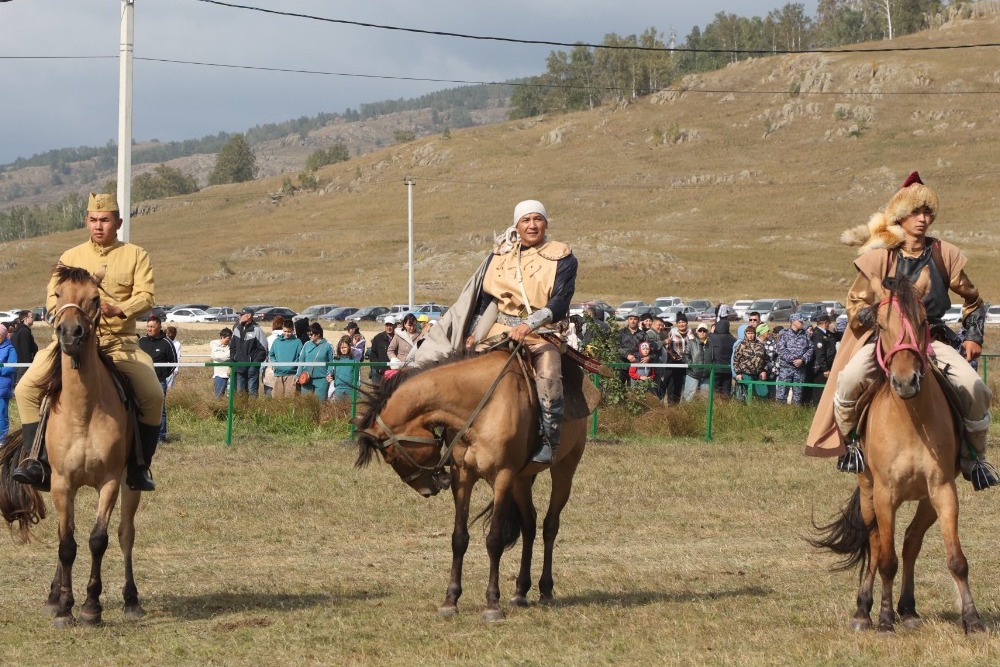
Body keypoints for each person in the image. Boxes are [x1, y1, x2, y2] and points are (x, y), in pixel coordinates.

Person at [808, 171, 996, 488]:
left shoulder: (944, 254)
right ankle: (853, 447)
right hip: (886, 340)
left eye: (927, 212)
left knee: (975, 389)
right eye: (915, 212)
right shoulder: (881, 256)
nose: (922, 219)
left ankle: (973, 459)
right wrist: (885, 319)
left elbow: (974, 300)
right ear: (900, 216)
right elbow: (855, 304)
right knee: (849, 379)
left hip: (930, 338)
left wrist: (974, 336)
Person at [13, 193, 163, 491]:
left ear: (118, 223)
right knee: (25, 389)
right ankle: (34, 462)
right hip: (69, 344)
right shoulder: (70, 257)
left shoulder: (136, 255)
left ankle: (138, 467)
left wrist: (119, 308)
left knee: (153, 394)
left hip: (117, 343)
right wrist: (65, 315)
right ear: (86, 221)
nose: (98, 226)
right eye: (93, 220)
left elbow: (146, 296)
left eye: (105, 220)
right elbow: (52, 297)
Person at [411, 199, 577, 464]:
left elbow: (560, 300)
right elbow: (489, 300)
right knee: (461, 370)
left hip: (541, 333)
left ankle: (549, 439)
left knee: (549, 375)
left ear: (546, 223)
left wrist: (529, 324)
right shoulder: (500, 255)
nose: (532, 225)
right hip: (498, 331)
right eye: (526, 220)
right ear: (516, 225)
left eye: (538, 219)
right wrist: (474, 334)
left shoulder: (563, 256)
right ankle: (450, 433)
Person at [138, 315, 178, 444]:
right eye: (148, 326)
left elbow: (173, 362)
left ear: (159, 327)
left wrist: (163, 374)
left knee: (160, 409)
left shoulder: (166, 343)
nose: (149, 329)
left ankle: (161, 437)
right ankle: (142, 435)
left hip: (159, 381)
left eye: (152, 327)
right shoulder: (141, 341)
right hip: (141, 381)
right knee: (140, 408)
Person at [775, 314, 813, 405]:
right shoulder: (783, 333)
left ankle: (795, 412)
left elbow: (811, 348)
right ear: (793, 322)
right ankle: (780, 412)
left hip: (800, 369)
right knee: (781, 395)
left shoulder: (805, 334)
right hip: (786, 369)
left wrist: (802, 360)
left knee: (798, 396)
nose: (802, 322)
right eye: (800, 321)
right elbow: (781, 349)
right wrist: (793, 360)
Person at [230, 307, 268, 395]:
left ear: (249, 315)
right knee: (240, 393)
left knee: (252, 393)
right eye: (239, 315)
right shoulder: (236, 329)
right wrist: (233, 362)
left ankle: (252, 405)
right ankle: (242, 405)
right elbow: (232, 348)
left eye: (242, 314)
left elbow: (263, 350)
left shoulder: (257, 330)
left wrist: (254, 365)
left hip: (252, 368)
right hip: (239, 367)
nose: (240, 316)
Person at [297, 321, 333, 399]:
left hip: (322, 380)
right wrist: (298, 375)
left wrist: (329, 373)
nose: (309, 336)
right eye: (308, 334)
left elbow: (331, 362)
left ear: (318, 334)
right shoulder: (306, 344)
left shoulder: (328, 346)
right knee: (305, 403)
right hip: (306, 379)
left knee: (320, 403)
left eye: (311, 334)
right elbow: (301, 360)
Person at [732, 324, 767, 400]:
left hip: (758, 374)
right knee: (749, 393)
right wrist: (738, 373)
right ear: (745, 334)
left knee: (763, 393)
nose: (750, 335)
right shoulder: (741, 345)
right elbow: (736, 360)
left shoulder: (760, 345)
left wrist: (764, 371)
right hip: (746, 373)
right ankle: (748, 406)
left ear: (755, 334)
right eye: (748, 333)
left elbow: (765, 359)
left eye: (752, 333)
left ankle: (761, 406)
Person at [662, 313, 690, 405]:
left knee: (686, 385)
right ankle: (673, 405)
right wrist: (671, 354)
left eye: (683, 322)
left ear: (687, 323)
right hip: (676, 362)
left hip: (688, 362)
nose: (681, 324)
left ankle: (686, 405)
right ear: (677, 324)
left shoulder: (691, 333)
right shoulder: (672, 332)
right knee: (675, 385)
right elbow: (667, 345)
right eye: (679, 322)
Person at [809, 313, 837, 407]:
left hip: (829, 366)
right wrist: (825, 369)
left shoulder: (826, 333)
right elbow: (819, 354)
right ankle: (817, 408)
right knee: (819, 391)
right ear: (825, 323)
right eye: (829, 323)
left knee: (827, 390)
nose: (829, 325)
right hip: (821, 369)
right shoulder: (818, 335)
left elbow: (836, 336)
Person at [683, 323, 714, 401]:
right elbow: (685, 356)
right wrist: (692, 367)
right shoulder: (691, 343)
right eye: (700, 330)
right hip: (693, 375)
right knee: (689, 398)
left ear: (707, 332)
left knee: (706, 399)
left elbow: (714, 358)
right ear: (697, 332)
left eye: (704, 330)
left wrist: (710, 368)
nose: (702, 332)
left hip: (706, 376)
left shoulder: (711, 344)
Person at [708, 317, 737, 397]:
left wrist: (711, 332)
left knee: (715, 391)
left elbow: (707, 339)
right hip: (728, 369)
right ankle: (725, 404)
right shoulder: (733, 339)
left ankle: (715, 404)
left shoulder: (713, 337)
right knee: (726, 391)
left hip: (716, 368)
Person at [328, 334, 360, 401]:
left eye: (345, 347)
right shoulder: (336, 361)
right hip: (338, 390)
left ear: (349, 347)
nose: (343, 349)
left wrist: (357, 388)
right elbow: (330, 370)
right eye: (341, 348)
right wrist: (329, 375)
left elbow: (357, 377)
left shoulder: (354, 361)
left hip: (351, 390)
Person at [11, 309, 37, 385]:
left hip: (20, 366)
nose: (33, 319)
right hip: (23, 367)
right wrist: (28, 366)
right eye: (31, 317)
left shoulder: (20, 330)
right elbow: (25, 350)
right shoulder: (24, 331)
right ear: (25, 319)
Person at [0, 323, 17, 441]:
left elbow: (12, 367)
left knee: (1, 414)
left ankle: (2, 438)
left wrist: (0, 369)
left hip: (3, 387)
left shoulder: (10, 349)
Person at [368, 317, 395, 386]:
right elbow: (373, 354)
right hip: (381, 373)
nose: (389, 328)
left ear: (394, 325)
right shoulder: (378, 338)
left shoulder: (398, 338)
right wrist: (379, 367)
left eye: (391, 325)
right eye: (387, 325)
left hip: (395, 372)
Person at [262, 316, 284, 397]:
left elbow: (264, 355)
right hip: (284, 369)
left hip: (270, 368)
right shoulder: (290, 339)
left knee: (268, 394)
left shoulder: (268, 339)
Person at [210, 327, 232, 398]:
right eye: (228, 339)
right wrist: (231, 354)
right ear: (222, 337)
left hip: (231, 374)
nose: (229, 340)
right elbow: (218, 357)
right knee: (219, 397)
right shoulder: (215, 345)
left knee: (231, 397)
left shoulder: (231, 345)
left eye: (230, 338)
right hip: (220, 375)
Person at [164, 324, 181, 391]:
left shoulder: (177, 344)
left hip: (171, 369)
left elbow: (177, 356)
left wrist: (176, 368)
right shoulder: (164, 342)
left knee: (169, 388)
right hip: (162, 368)